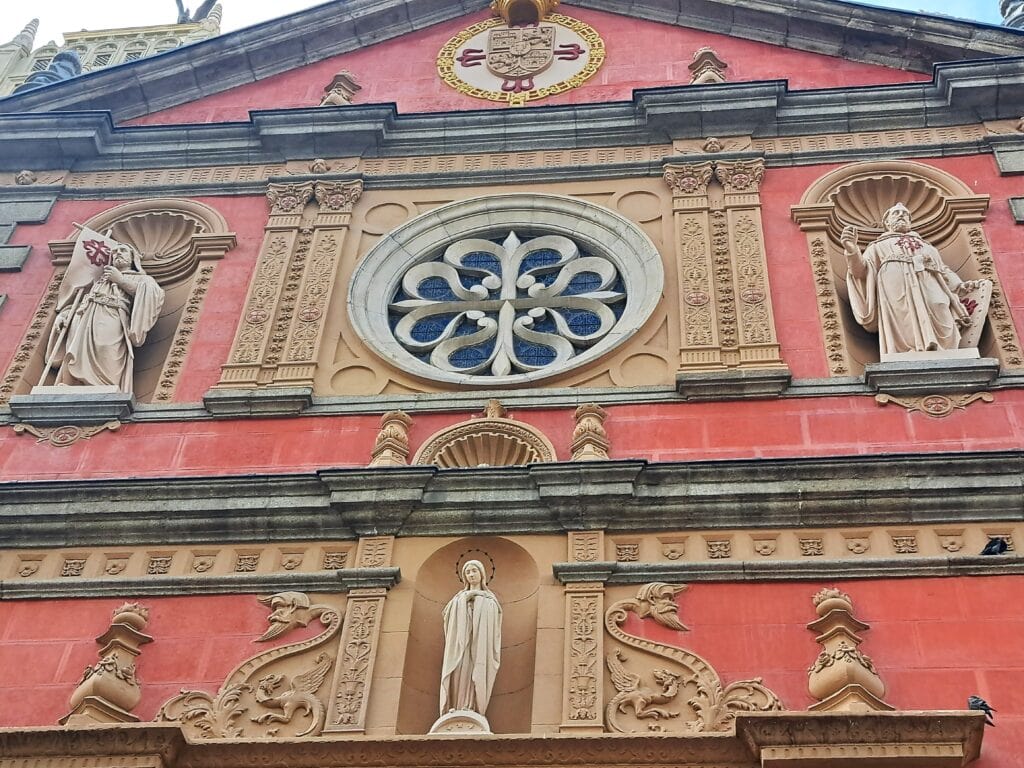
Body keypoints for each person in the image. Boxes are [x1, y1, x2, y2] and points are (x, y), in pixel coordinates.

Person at [842, 203, 986, 357]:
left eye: (905, 214)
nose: (901, 215)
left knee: (939, 304)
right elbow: (861, 272)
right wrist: (851, 250)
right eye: (896, 213)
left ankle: (945, 349)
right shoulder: (877, 246)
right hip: (894, 284)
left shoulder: (927, 246)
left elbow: (942, 270)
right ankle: (908, 351)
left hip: (927, 280)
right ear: (887, 222)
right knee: (903, 316)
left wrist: (960, 286)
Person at [45, 242, 165, 394]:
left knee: (105, 348)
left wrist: (120, 280)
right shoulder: (100, 279)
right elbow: (81, 301)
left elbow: (153, 295)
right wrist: (65, 314)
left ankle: (103, 385)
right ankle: (71, 384)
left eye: (122, 250)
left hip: (112, 317)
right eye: (114, 252)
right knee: (75, 350)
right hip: (85, 317)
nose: (117, 253)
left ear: (133, 258)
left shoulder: (143, 279)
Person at [439, 559, 502, 717]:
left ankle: (471, 705)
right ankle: (455, 704)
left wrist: (479, 598)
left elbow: (494, 621)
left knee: (476, 669)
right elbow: (447, 616)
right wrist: (465, 600)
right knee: (459, 668)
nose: (471, 574)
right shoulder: (458, 598)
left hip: (478, 643)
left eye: (474, 571)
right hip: (460, 644)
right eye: (467, 572)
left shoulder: (490, 600)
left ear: (482, 574)